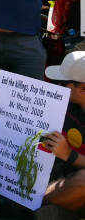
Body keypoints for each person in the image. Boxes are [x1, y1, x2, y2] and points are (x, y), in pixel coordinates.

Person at [42, 52, 85, 215]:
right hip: (61, 178)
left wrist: (69, 155)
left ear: (82, 89)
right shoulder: (64, 103)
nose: (58, 86)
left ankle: (30, 205)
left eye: (63, 82)